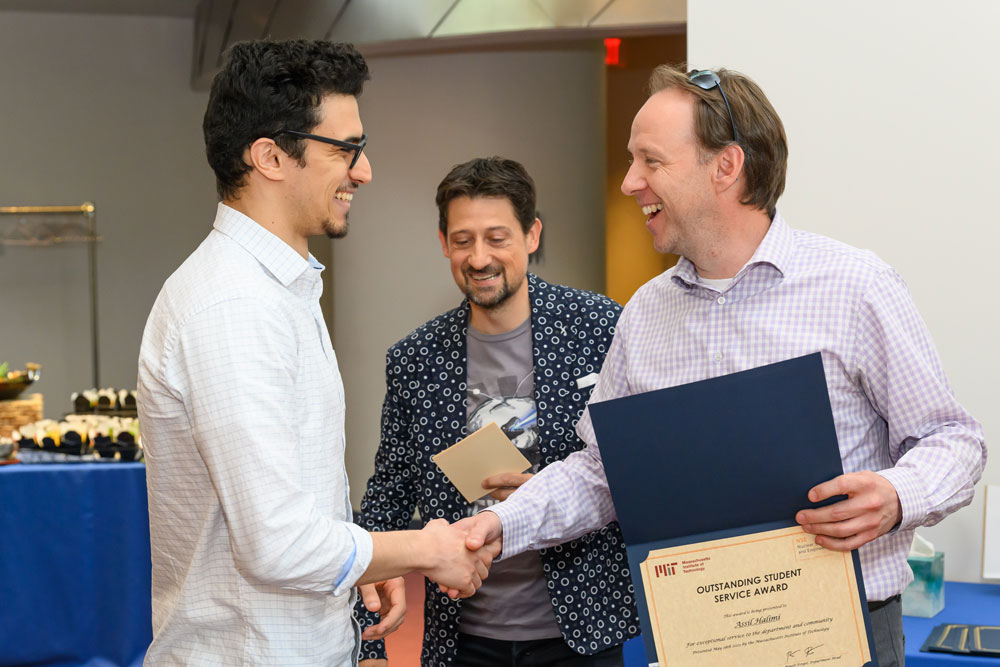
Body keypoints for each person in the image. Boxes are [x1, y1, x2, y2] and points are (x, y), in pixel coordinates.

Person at [462, 66, 987, 667]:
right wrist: (497, 526)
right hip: (699, 639)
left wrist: (897, 494)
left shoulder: (856, 287)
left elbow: (955, 440)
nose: (630, 182)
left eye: (649, 161)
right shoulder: (644, 315)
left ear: (726, 167)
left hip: (842, 634)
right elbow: (602, 474)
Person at [137, 40, 496, 666]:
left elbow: (297, 497)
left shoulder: (281, 286)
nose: (364, 171)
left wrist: (360, 557)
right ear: (271, 156)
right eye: (346, 148)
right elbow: (274, 543)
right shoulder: (231, 306)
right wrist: (422, 548)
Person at [355, 157, 639, 666]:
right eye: (463, 240)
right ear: (443, 243)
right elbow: (389, 493)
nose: (479, 257)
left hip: (580, 631)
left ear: (532, 235)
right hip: (463, 635)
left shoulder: (599, 327)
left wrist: (548, 497)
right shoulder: (415, 360)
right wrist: (369, 639)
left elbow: (635, 467)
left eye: (497, 237)